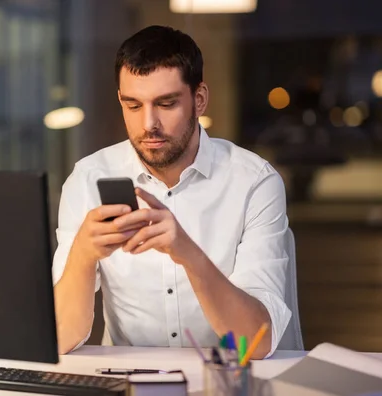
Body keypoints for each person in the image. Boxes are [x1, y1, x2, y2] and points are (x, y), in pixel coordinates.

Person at [51, 25, 291, 359]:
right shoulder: (88, 178)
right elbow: (59, 340)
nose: (148, 123)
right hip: (127, 383)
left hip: (224, 379)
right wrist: (83, 255)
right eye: (133, 106)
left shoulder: (254, 182)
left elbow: (256, 343)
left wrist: (187, 252)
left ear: (200, 99)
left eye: (166, 104)